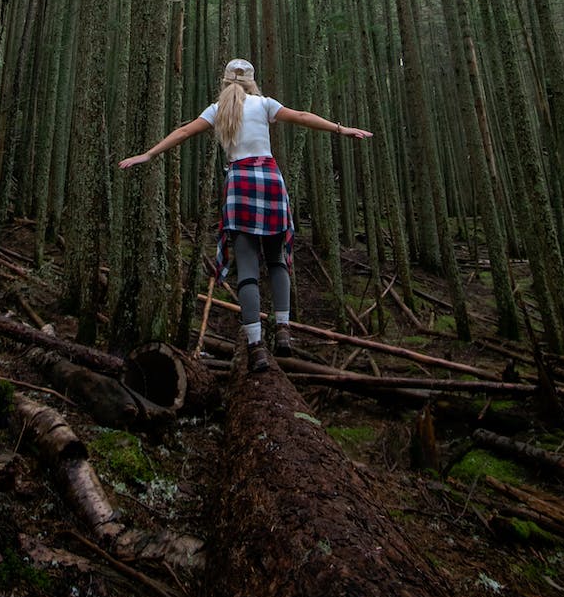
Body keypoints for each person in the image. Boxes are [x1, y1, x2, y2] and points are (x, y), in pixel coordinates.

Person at [118, 58, 373, 373]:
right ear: (252, 81)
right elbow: (303, 116)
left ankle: (255, 347)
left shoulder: (217, 110)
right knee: (277, 260)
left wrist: (149, 154)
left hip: (239, 182)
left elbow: (184, 132)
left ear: (225, 81)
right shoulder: (264, 104)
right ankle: (282, 330)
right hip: (269, 178)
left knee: (248, 268)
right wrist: (341, 129)